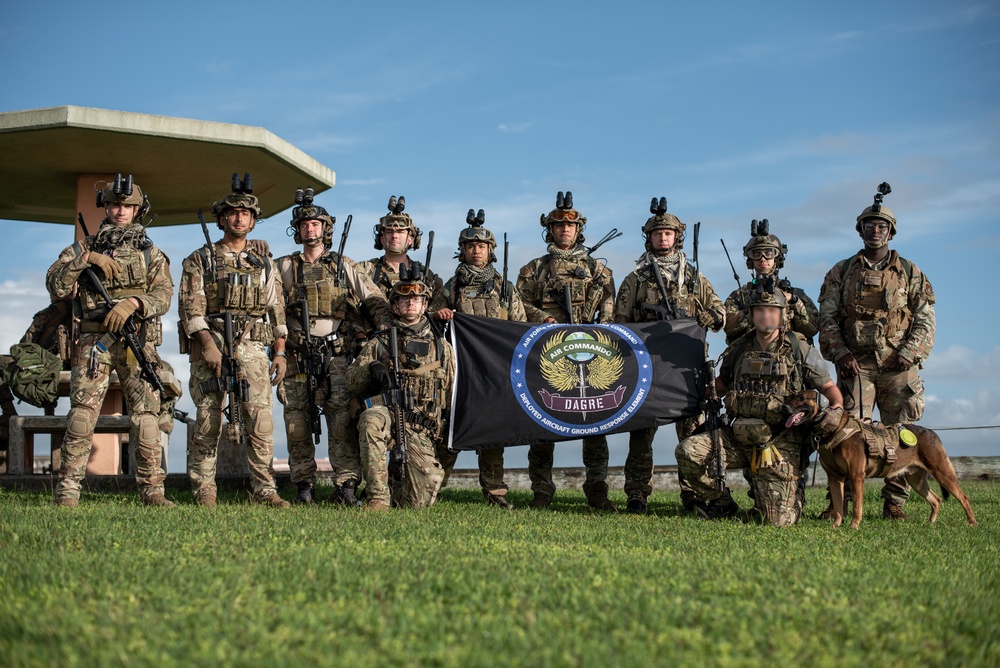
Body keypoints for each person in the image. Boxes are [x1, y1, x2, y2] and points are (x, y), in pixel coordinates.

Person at [47, 174, 174, 507]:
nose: (121, 211)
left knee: (146, 416)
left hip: (136, 341)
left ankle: (152, 491)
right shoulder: (85, 247)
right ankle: (68, 490)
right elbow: (56, 285)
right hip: (94, 342)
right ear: (106, 206)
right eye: (116, 204)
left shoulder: (151, 253)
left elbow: (163, 295)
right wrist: (85, 261)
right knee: (82, 414)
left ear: (138, 210)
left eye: (128, 206)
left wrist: (134, 303)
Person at [676, 281, 843, 526]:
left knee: (777, 522)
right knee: (688, 451)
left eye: (772, 310)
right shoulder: (739, 347)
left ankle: (791, 493)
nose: (766, 315)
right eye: (760, 310)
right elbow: (723, 383)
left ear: (782, 314)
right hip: (737, 437)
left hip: (778, 443)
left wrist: (836, 408)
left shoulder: (799, 347)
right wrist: (698, 393)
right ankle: (721, 501)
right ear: (752, 314)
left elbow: (828, 387)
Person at [818, 182, 935, 520]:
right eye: (869, 225)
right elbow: (827, 318)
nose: (875, 231)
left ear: (891, 232)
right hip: (857, 367)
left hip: (899, 366)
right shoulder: (840, 272)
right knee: (846, 432)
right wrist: (840, 354)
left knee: (905, 435)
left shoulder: (911, 272)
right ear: (860, 230)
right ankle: (839, 504)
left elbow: (926, 319)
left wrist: (909, 353)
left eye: (882, 226)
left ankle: (895, 503)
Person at [179, 174, 289, 508]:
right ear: (222, 219)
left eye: (246, 214)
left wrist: (280, 351)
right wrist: (208, 345)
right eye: (233, 213)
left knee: (260, 421)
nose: (239, 218)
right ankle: (204, 489)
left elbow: (276, 310)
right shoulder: (201, 259)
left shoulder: (264, 263)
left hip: (254, 349)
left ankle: (265, 490)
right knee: (208, 419)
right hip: (212, 345)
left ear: (254, 221)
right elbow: (190, 305)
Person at [275, 188, 390, 505]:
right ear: (297, 231)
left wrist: (383, 331)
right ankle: (303, 485)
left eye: (315, 224)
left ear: (325, 228)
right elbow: (267, 299)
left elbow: (374, 298)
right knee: (298, 420)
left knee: (340, 419)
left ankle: (346, 485)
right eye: (304, 225)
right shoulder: (284, 266)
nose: (309, 229)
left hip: (337, 353)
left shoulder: (343, 265)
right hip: (299, 352)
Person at [614, 197, 726, 514]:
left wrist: (711, 318)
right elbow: (619, 323)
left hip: (687, 368)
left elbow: (719, 311)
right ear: (648, 238)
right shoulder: (636, 280)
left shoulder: (693, 278)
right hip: (647, 367)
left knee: (691, 434)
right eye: (657, 233)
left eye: (668, 233)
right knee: (641, 435)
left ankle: (691, 495)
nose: (663, 238)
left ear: (677, 236)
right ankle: (637, 494)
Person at [516, 191, 616, 511]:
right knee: (543, 422)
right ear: (550, 230)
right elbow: (519, 306)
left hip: (590, 353)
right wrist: (541, 318)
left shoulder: (597, 270)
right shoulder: (535, 269)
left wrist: (603, 332)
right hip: (548, 355)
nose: (564, 230)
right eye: (558, 226)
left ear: (578, 230)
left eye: (569, 226)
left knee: (595, 423)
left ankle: (597, 487)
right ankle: (542, 489)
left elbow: (610, 311)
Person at [433, 208, 527, 509]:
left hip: (496, 373)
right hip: (459, 373)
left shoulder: (505, 289)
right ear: (462, 250)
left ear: (491, 250)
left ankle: (495, 491)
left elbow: (521, 330)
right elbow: (429, 323)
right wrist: (440, 315)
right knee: (451, 429)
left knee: (494, 431)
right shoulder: (451, 287)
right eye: (471, 246)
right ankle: (432, 486)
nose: (476, 251)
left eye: (482, 246)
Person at [346, 267, 455, 510]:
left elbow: (450, 390)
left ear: (425, 305)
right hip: (388, 414)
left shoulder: (441, 347)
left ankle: (395, 485)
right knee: (370, 420)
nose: (410, 303)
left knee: (418, 502)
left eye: (416, 299)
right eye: (404, 299)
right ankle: (377, 498)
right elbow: (351, 379)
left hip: (420, 425)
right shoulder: (380, 342)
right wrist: (371, 368)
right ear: (394, 306)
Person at [723, 219, 819, 345]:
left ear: (777, 258)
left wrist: (794, 301)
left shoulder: (795, 294)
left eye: (768, 253)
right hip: (748, 356)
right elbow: (728, 327)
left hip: (787, 357)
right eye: (756, 254)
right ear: (750, 259)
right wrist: (752, 309)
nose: (762, 259)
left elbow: (813, 327)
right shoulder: (739, 296)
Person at [356, 195, 446, 317]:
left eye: (400, 232)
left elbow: (439, 309)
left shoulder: (426, 275)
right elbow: (351, 305)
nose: (395, 236)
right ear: (381, 239)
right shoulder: (366, 270)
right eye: (389, 231)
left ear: (410, 240)